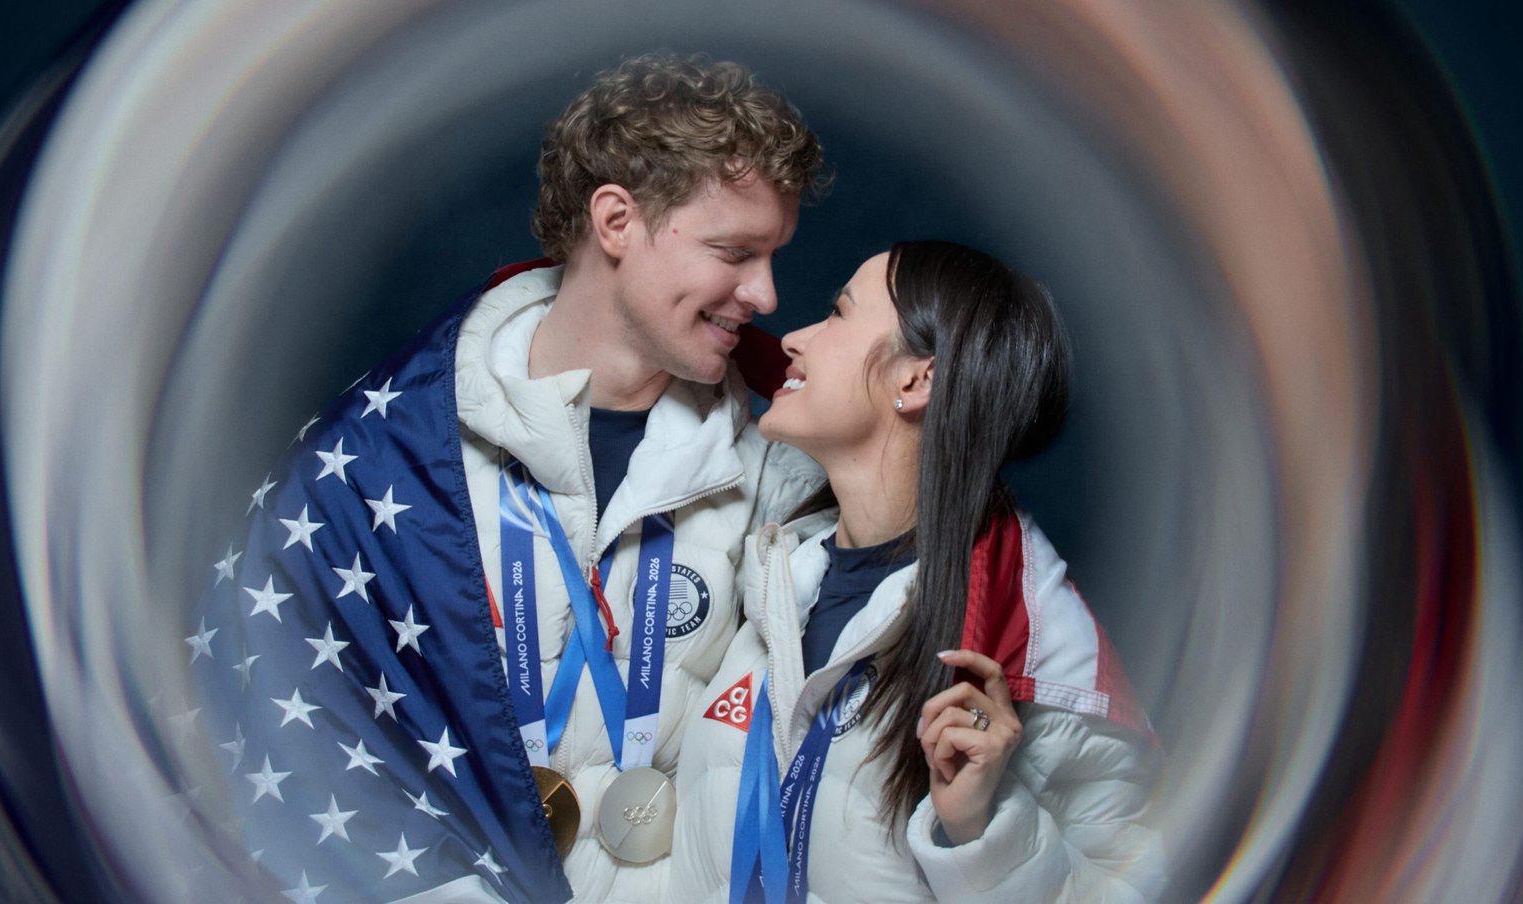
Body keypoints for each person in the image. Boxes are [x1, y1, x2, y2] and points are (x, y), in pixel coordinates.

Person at [182, 53, 826, 904]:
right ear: (617, 221)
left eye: (772, 255)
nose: (767, 294)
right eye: (735, 252)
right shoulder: (385, 457)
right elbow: (276, 731)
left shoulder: (785, 463)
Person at [670, 241, 1166, 903]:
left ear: (916, 381)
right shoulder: (775, 576)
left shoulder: (1038, 650)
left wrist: (985, 832)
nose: (793, 339)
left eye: (838, 313)